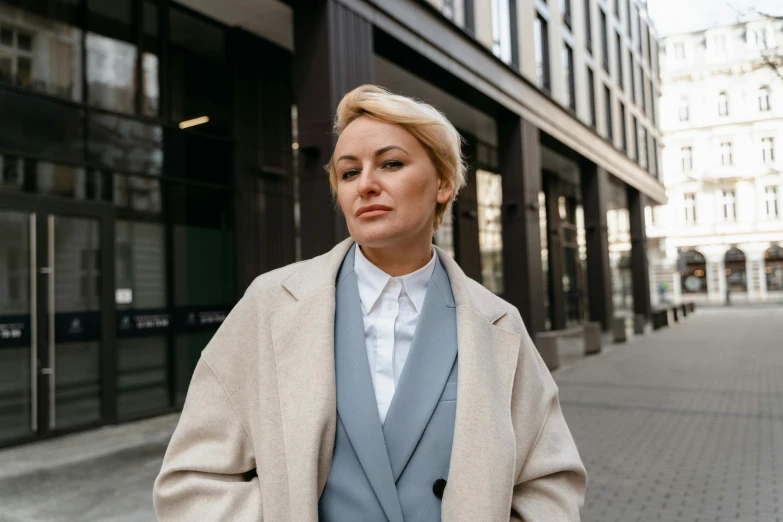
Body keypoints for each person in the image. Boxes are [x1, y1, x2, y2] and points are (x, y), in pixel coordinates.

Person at [153, 85, 586, 521]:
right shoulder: (270, 306)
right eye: (347, 173)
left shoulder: (499, 325)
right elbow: (191, 480)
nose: (365, 185)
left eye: (391, 163)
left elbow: (550, 482)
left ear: (443, 183)